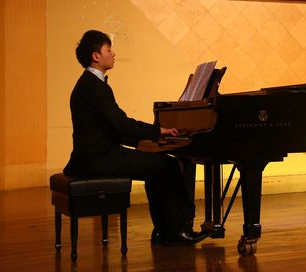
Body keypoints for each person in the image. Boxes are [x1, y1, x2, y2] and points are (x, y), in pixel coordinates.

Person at [63, 30, 207, 245]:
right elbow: (121, 124)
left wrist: (140, 141)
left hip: (93, 155)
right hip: (99, 158)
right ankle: (177, 230)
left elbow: (111, 128)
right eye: (108, 50)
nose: (113, 54)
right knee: (167, 165)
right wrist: (158, 131)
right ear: (96, 56)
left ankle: (163, 230)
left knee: (157, 168)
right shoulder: (95, 87)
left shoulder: (87, 84)